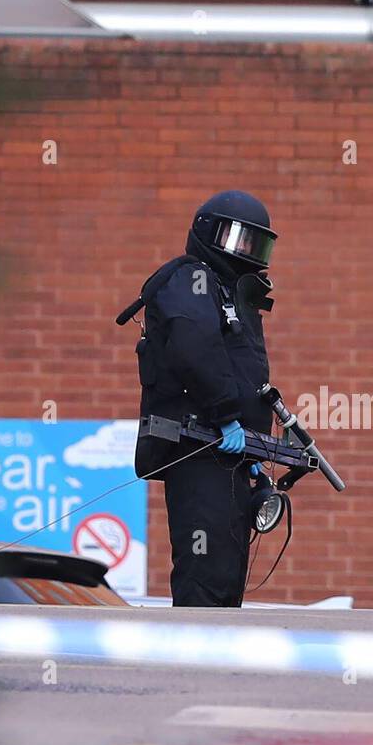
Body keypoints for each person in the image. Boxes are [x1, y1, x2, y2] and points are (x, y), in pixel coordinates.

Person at [132, 190, 278, 606]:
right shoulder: (188, 280)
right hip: (197, 452)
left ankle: (222, 666)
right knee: (204, 575)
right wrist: (227, 416)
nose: (246, 252)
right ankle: (194, 664)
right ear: (208, 232)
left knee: (227, 576)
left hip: (228, 458)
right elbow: (193, 349)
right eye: (238, 239)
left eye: (255, 242)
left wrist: (251, 449)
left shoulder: (228, 292)